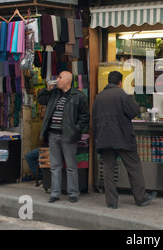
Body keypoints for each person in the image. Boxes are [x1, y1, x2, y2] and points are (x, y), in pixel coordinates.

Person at [92, 71, 156, 209]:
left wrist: (98, 138)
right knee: (134, 167)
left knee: (108, 170)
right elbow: (134, 111)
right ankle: (141, 197)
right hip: (122, 137)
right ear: (120, 82)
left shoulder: (99, 97)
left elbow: (94, 119)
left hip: (104, 138)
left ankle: (111, 202)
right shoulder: (122, 95)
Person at [37, 71, 89, 203]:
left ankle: (73, 193)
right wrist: (47, 90)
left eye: (59, 77)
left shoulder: (78, 96)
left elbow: (84, 117)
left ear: (67, 80)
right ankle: (55, 193)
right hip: (53, 134)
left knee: (71, 166)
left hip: (68, 136)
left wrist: (75, 130)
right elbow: (41, 100)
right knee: (55, 166)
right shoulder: (54, 94)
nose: (57, 79)